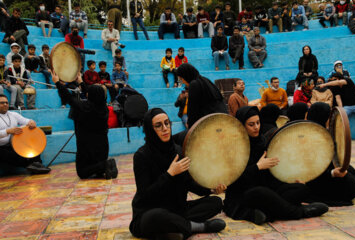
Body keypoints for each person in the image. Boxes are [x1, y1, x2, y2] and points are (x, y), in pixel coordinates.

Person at [129, 108, 226, 240]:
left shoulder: (177, 150)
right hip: (150, 211)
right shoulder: (141, 156)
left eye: (167, 123)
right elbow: (145, 195)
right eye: (158, 125)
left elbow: (189, 183)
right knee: (156, 217)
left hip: (177, 209)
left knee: (216, 202)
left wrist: (211, 189)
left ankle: (172, 230)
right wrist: (169, 174)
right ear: (150, 130)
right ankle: (199, 227)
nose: (165, 128)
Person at [224, 106, 328, 224]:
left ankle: (264, 211)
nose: (256, 127)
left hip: (268, 189)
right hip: (244, 194)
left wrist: (289, 181)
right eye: (251, 124)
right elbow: (233, 181)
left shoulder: (262, 141)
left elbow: (271, 174)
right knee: (260, 192)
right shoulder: (234, 147)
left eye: (258, 123)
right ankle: (301, 212)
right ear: (242, 126)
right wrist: (257, 167)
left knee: (301, 189)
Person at [51, 71, 118, 179]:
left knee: (82, 173)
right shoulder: (104, 108)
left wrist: (57, 83)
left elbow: (69, 98)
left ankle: (105, 165)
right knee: (95, 170)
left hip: (86, 147)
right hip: (102, 148)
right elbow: (92, 94)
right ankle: (103, 165)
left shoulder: (84, 107)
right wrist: (81, 82)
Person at [306, 102, 355, 206]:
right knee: (348, 181)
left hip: (324, 171)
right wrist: (332, 173)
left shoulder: (322, 131)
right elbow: (311, 168)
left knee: (350, 170)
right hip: (315, 178)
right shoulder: (310, 137)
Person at [0, 94, 51, 174]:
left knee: (33, 140)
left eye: (6, 102)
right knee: (5, 154)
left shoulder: (13, 114)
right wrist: (8, 131)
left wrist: (32, 122)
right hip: (2, 147)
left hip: (14, 144)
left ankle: (37, 164)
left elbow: (27, 121)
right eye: (2, 103)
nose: (5, 104)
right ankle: (34, 166)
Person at [177, 63, 227, 129]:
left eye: (182, 79)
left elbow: (193, 110)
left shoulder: (194, 84)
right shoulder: (205, 80)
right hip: (223, 119)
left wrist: (191, 128)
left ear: (186, 76)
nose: (182, 82)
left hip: (211, 124)